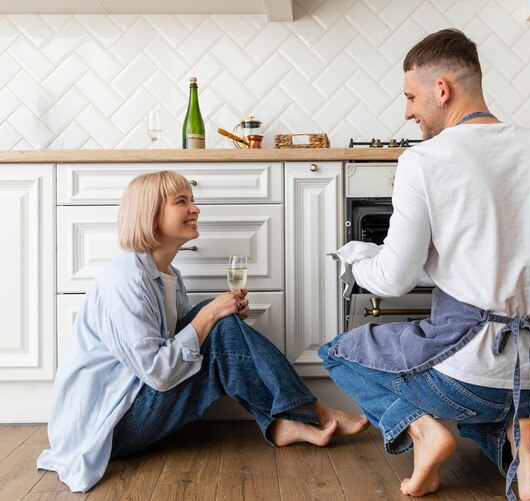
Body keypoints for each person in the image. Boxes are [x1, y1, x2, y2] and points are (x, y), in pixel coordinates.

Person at [319, 28, 530, 501]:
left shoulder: (425, 159)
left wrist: (356, 260)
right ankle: (525, 439)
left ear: (442, 90)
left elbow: (394, 277)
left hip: (470, 375)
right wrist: (522, 268)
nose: (408, 111)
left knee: (337, 352)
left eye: (411, 96)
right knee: (490, 403)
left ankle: (423, 432)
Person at [37, 170, 368, 493]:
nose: (195, 209)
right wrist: (211, 315)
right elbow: (160, 373)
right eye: (182, 201)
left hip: (129, 404)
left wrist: (217, 315)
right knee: (215, 321)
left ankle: (284, 423)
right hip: (107, 429)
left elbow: (190, 342)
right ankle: (312, 411)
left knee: (217, 321)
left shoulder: (169, 275)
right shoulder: (125, 281)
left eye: (192, 200)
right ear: (151, 216)